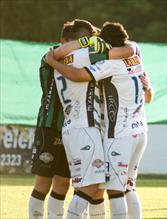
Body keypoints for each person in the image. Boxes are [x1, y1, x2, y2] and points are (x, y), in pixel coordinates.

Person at [45, 21, 153, 219]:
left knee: (105, 189)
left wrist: (53, 62)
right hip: (138, 130)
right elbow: (149, 95)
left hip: (113, 132)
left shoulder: (98, 61)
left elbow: (74, 72)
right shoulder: (136, 56)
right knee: (123, 187)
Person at [28, 23, 73, 219]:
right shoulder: (51, 54)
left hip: (72, 129)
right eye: (78, 42)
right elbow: (53, 54)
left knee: (63, 182)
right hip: (49, 127)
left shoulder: (80, 61)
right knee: (43, 181)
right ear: (64, 42)